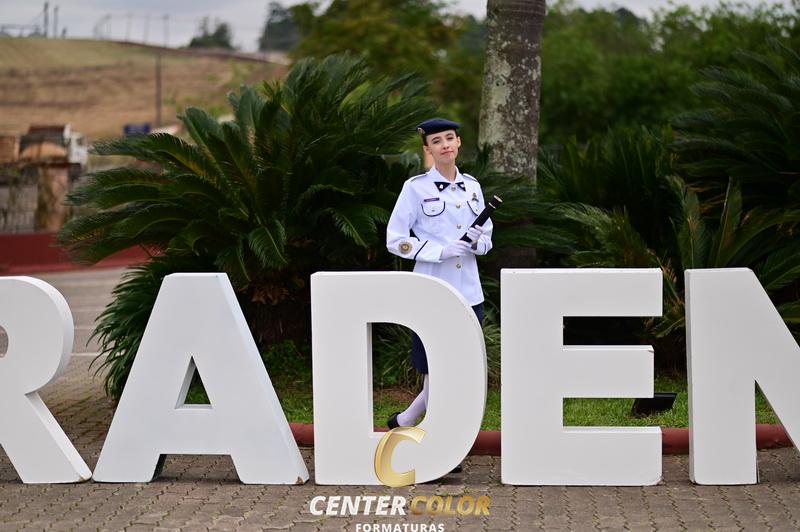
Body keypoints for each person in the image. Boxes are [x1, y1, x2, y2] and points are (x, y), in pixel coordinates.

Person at [385, 117, 493, 431]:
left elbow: (487, 236)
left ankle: (406, 420)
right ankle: (435, 434)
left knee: (462, 365)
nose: (445, 145)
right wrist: (438, 251)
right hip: (433, 287)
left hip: (469, 290)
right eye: (436, 141)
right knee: (434, 365)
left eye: (449, 138)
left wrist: (478, 244)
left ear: (458, 143)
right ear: (428, 149)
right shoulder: (415, 188)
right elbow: (395, 239)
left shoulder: (473, 186)